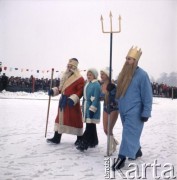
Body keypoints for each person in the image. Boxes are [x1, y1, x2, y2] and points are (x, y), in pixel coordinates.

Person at [110, 46, 153, 170]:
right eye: (126, 58)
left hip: (135, 111)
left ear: (135, 60)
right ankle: (137, 150)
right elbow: (118, 92)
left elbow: (147, 96)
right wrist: (112, 89)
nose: (127, 61)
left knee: (128, 134)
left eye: (130, 59)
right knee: (130, 133)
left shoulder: (142, 75)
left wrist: (146, 112)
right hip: (123, 109)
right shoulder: (122, 74)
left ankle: (121, 158)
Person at [47, 58, 85, 145]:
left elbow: (80, 91)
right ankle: (57, 137)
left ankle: (79, 138)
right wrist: (54, 91)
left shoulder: (80, 78)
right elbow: (61, 89)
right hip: (63, 102)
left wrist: (74, 98)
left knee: (76, 120)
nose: (69, 67)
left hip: (72, 103)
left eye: (71, 66)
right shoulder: (65, 76)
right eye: (68, 65)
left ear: (75, 67)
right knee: (59, 119)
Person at [76, 68, 101, 151]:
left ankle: (84, 143)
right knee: (91, 125)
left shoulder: (96, 85)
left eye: (90, 75)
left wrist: (92, 109)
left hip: (92, 107)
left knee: (89, 127)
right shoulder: (88, 83)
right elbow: (85, 96)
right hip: (87, 106)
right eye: (87, 74)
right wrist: (83, 105)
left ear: (94, 76)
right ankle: (94, 141)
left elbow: (96, 98)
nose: (88, 76)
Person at [100, 67, 119, 155]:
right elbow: (100, 97)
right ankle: (114, 142)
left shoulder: (113, 85)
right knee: (105, 129)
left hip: (113, 108)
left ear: (107, 75)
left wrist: (112, 90)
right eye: (101, 74)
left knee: (109, 128)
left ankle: (111, 147)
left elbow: (117, 96)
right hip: (105, 107)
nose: (101, 76)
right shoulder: (101, 85)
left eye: (103, 74)